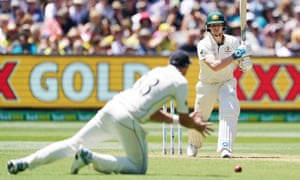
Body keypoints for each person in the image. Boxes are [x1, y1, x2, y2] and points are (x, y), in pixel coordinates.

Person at [7, 50, 213, 175]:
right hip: (128, 117)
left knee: (72, 142)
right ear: (185, 67)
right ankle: (90, 157)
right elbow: (186, 119)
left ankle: (24, 162)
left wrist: (179, 120)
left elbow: (152, 112)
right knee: (138, 168)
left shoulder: (157, 71)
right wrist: (196, 125)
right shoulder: (180, 82)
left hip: (112, 107)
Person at [186, 11, 252, 158]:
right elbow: (215, 66)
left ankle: (225, 147)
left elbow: (243, 65)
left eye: (218, 25)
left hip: (226, 81)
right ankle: (194, 143)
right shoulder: (203, 44)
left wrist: (246, 61)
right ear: (208, 28)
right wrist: (236, 55)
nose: (216, 28)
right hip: (207, 84)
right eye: (213, 26)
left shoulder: (233, 42)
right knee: (200, 117)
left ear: (223, 26)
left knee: (230, 109)